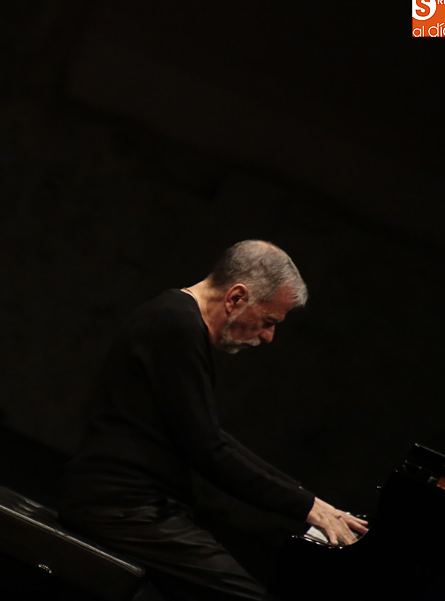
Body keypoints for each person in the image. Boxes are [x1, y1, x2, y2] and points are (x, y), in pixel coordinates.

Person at [58, 240, 367, 601]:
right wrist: (305, 507)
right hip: (119, 507)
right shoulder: (175, 324)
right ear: (236, 297)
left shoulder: (178, 320)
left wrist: (308, 499)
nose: (268, 336)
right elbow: (209, 449)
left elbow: (211, 436)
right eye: (268, 322)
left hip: (136, 507)